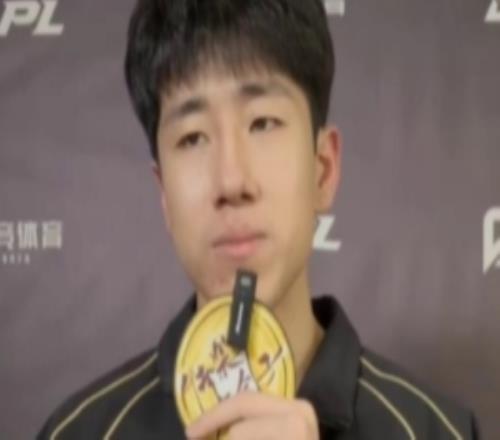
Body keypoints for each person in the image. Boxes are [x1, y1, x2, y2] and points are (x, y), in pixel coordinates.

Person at [38, 0, 479, 438]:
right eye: (192, 138)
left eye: (263, 123)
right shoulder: (80, 433)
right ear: (165, 195)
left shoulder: (439, 431)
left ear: (323, 169)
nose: (231, 181)